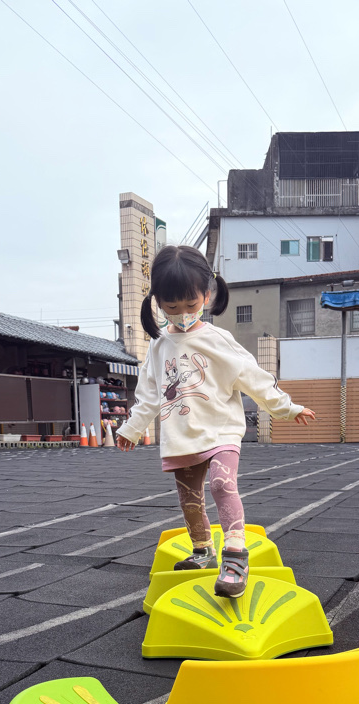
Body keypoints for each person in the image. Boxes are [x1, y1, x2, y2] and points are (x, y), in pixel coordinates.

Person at [116, 245, 316, 598]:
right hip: (182, 436)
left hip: (222, 430)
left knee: (222, 485)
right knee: (189, 499)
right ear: (157, 302)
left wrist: (286, 407)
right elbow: (148, 395)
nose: (182, 314)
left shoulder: (218, 339)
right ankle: (203, 550)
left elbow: (252, 376)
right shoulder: (159, 348)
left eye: (190, 304)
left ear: (206, 296)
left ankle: (236, 556)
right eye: (171, 307)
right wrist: (132, 428)